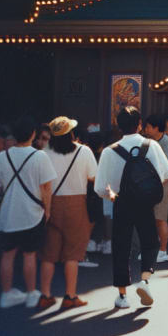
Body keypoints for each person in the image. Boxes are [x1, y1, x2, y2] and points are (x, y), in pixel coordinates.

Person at [94, 107, 168, 309]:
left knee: (121, 248)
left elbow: (100, 188)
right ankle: (145, 280)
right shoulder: (151, 146)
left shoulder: (109, 151)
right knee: (150, 243)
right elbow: (166, 173)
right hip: (145, 203)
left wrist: (113, 196)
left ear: (118, 126)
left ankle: (122, 296)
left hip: (121, 203)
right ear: (139, 124)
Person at [0, 116, 57, 309]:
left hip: (7, 215)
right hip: (32, 214)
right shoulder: (40, 156)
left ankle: (7, 293)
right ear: (33, 134)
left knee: (7, 255)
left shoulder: (3, 156)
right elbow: (46, 188)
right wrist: (48, 210)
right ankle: (31, 293)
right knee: (30, 255)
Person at [36, 117, 97, 310]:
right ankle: (70, 296)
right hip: (76, 203)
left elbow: (40, 183)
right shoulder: (84, 151)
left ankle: (45, 295)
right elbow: (93, 177)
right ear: (71, 133)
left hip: (51, 203)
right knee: (72, 254)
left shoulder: (44, 154)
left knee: (48, 254)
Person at [142, 114, 168, 264]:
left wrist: (156, 184)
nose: (145, 129)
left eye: (148, 127)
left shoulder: (166, 142)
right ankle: (155, 249)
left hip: (164, 185)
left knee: (160, 218)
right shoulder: (149, 141)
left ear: (156, 128)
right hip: (154, 185)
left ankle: (163, 251)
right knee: (154, 219)